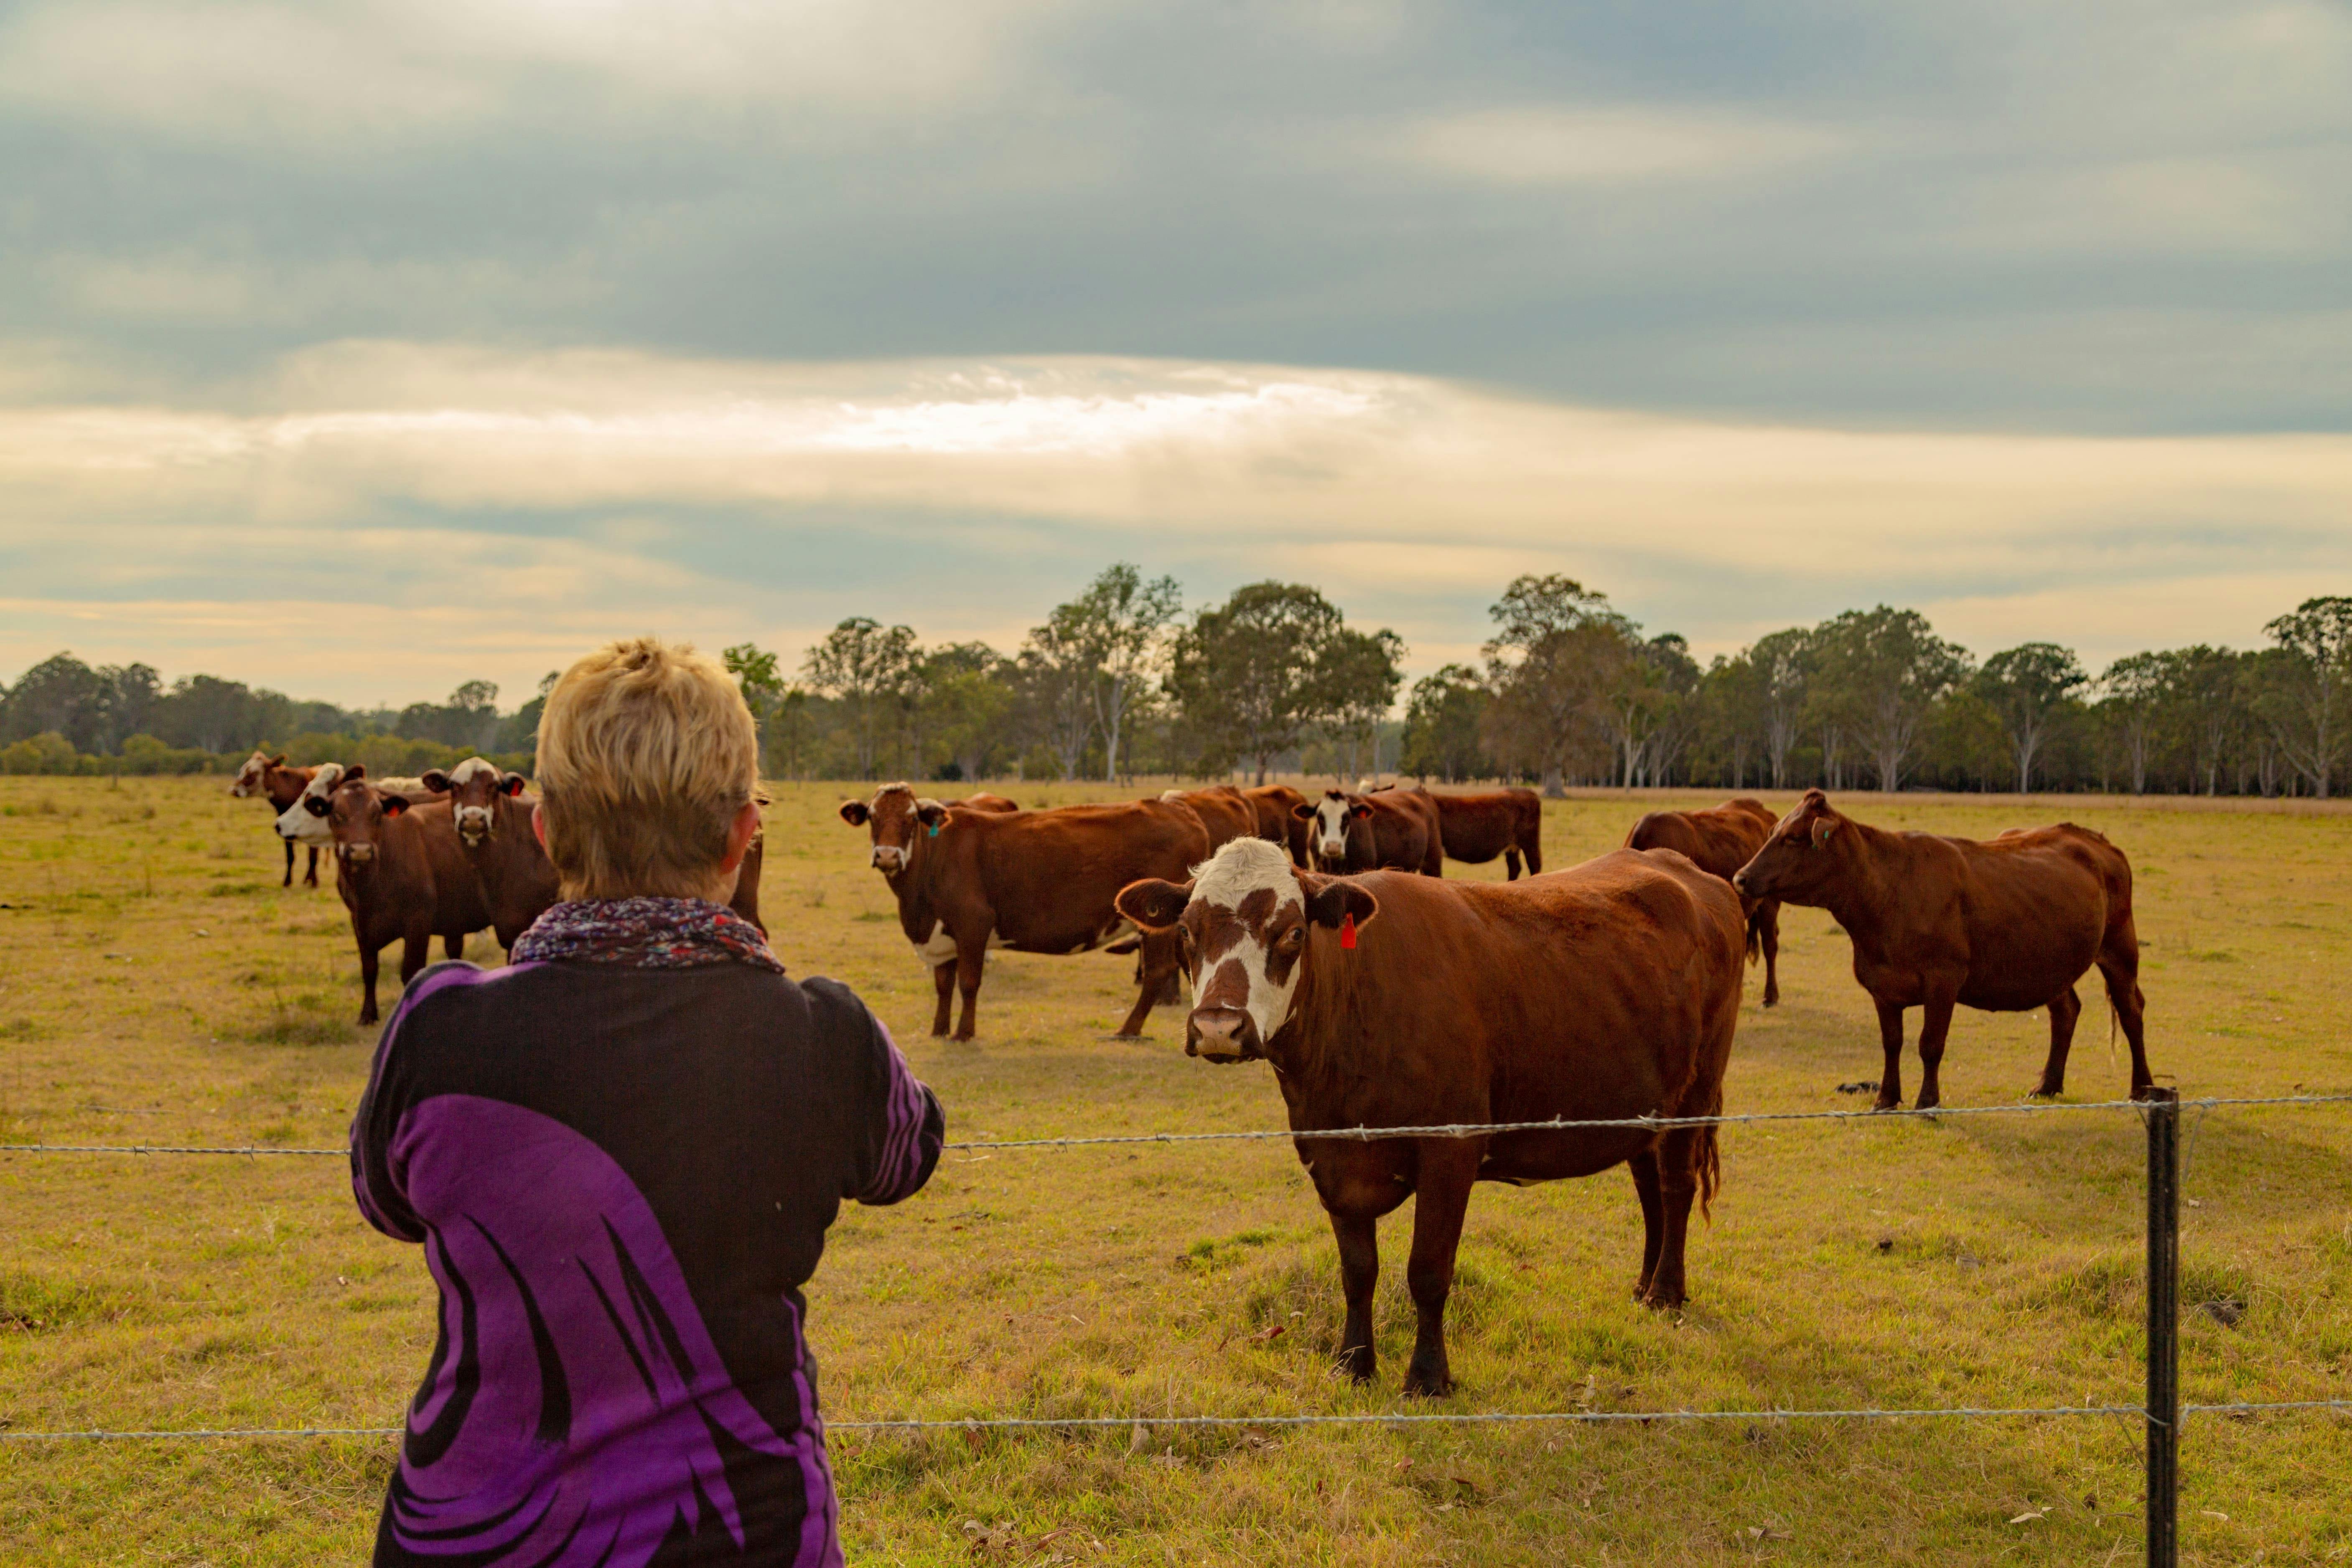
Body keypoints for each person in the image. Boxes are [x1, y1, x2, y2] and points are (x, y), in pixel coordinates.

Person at [351, 637, 943, 1567]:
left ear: (544, 830)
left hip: (472, 1533)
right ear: (744, 832)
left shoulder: (440, 1027)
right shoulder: (825, 1034)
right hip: (747, 1530)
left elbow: (385, 1202)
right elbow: (909, 1158)